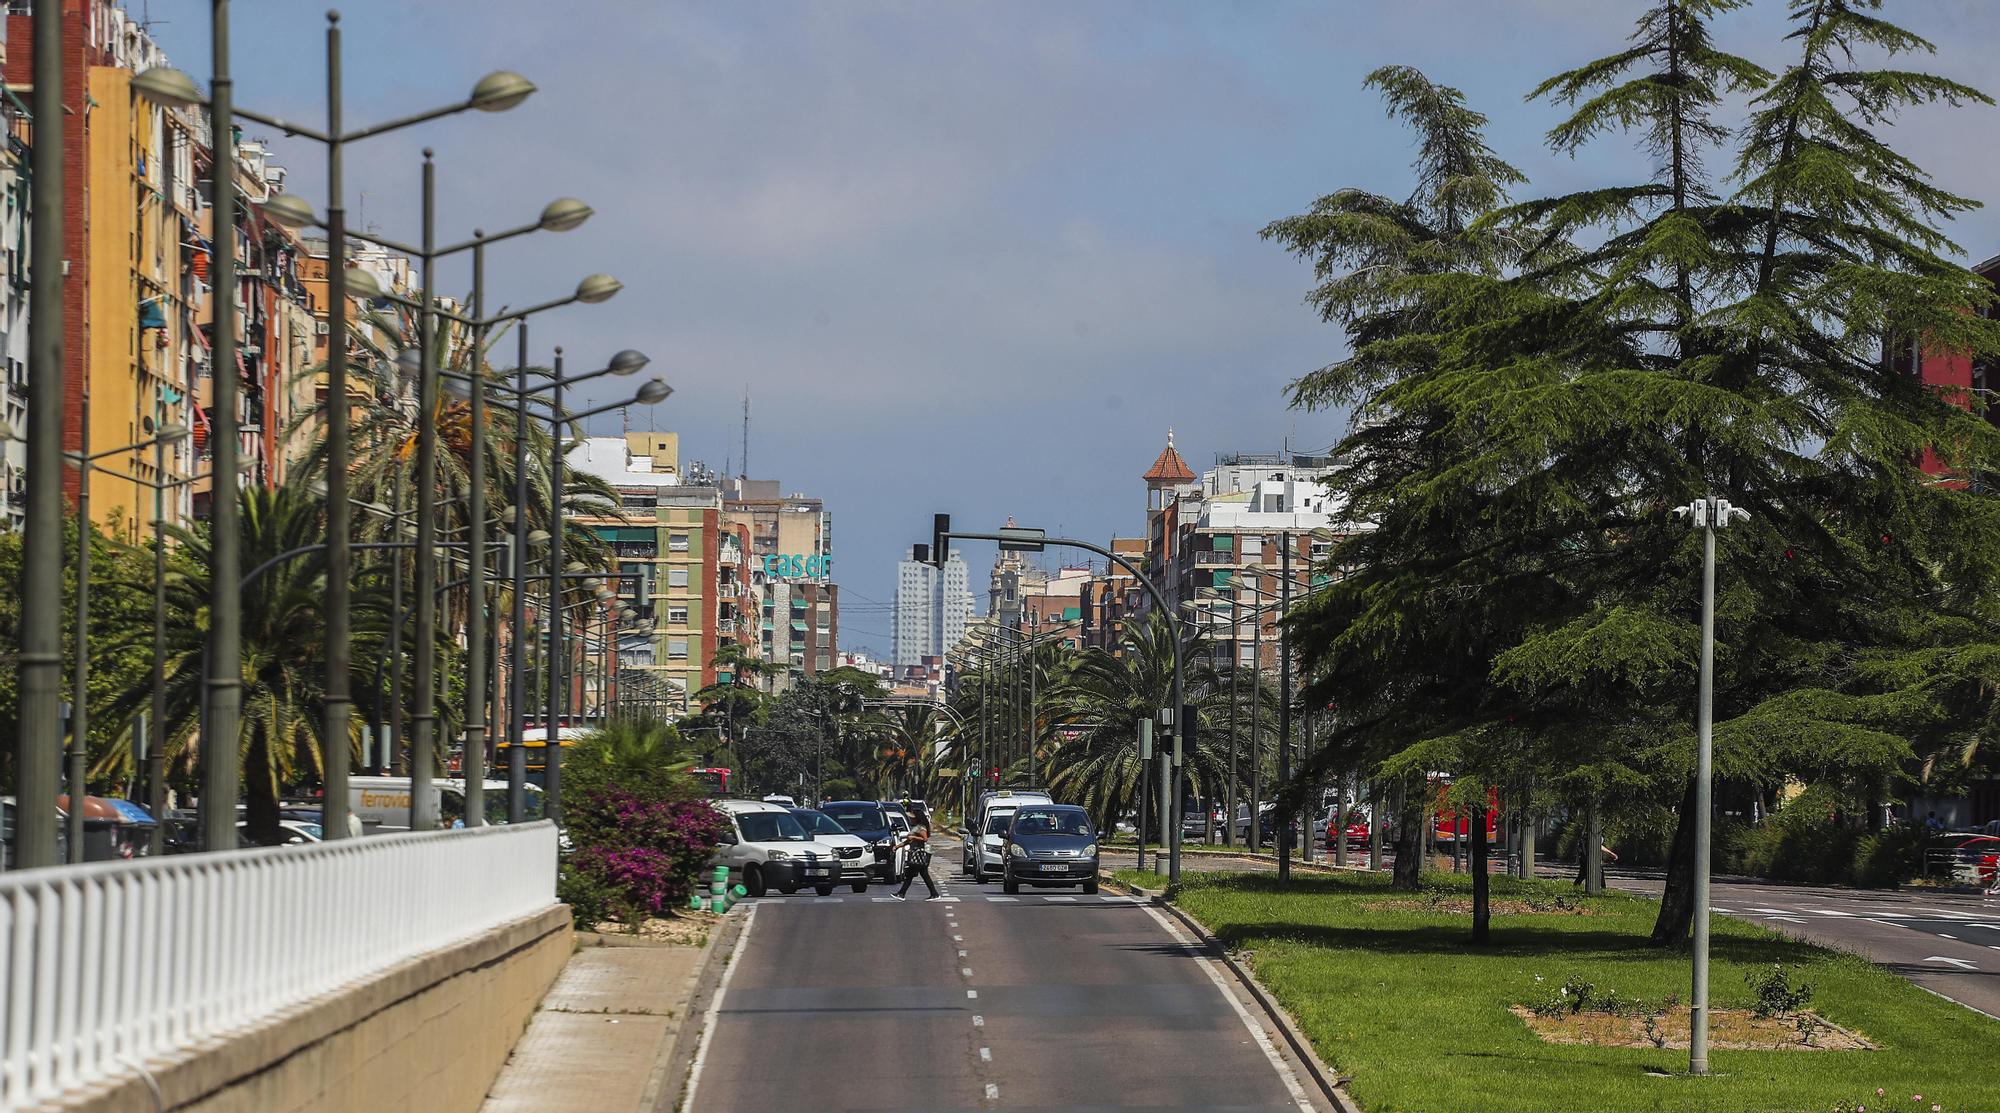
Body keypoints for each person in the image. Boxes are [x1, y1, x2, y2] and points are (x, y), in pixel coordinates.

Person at [891, 817, 939, 901]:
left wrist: (913, 837)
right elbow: (908, 841)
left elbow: (925, 839)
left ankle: (901, 894)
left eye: (913, 818)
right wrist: (897, 846)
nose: (911, 819)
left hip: (919, 854)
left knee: (911, 875)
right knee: (922, 875)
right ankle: (934, 893)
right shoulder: (916, 827)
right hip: (916, 854)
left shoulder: (921, 828)